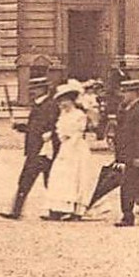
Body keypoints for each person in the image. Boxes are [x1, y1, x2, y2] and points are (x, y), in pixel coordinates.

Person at [0, 75, 58, 220]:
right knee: (28, 180)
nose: (32, 92)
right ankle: (17, 211)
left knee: (44, 181)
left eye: (35, 89)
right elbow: (35, 127)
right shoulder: (39, 105)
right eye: (31, 89)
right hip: (36, 150)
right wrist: (21, 127)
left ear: (43, 89)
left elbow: (47, 127)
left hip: (44, 150)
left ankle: (54, 210)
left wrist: (30, 130)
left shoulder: (50, 105)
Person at [44, 84, 94, 221]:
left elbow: (78, 134)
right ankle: (57, 209)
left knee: (76, 177)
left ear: (71, 100)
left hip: (76, 148)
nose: (61, 104)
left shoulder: (79, 115)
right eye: (59, 101)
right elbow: (60, 132)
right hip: (65, 147)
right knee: (59, 176)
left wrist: (69, 147)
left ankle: (76, 211)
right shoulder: (63, 115)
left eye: (63, 100)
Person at [113, 79, 139, 227]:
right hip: (126, 153)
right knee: (131, 183)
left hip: (134, 154)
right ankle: (130, 212)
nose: (123, 95)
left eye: (126, 92)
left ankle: (128, 215)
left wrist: (138, 156)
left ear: (134, 93)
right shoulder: (126, 109)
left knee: (129, 184)